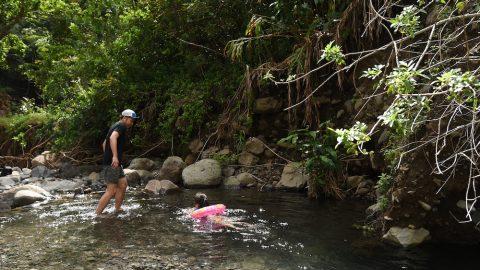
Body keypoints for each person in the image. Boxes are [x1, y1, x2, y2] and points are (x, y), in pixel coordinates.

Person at [95, 109, 139, 216]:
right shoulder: (121, 126)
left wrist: (108, 155)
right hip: (113, 163)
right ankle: (96, 214)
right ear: (125, 118)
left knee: (123, 185)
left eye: (133, 121)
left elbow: (105, 143)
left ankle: (117, 209)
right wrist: (114, 157)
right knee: (111, 191)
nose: (132, 123)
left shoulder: (115, 125)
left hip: (114, 163)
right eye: (131, 120)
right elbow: (112, 137)